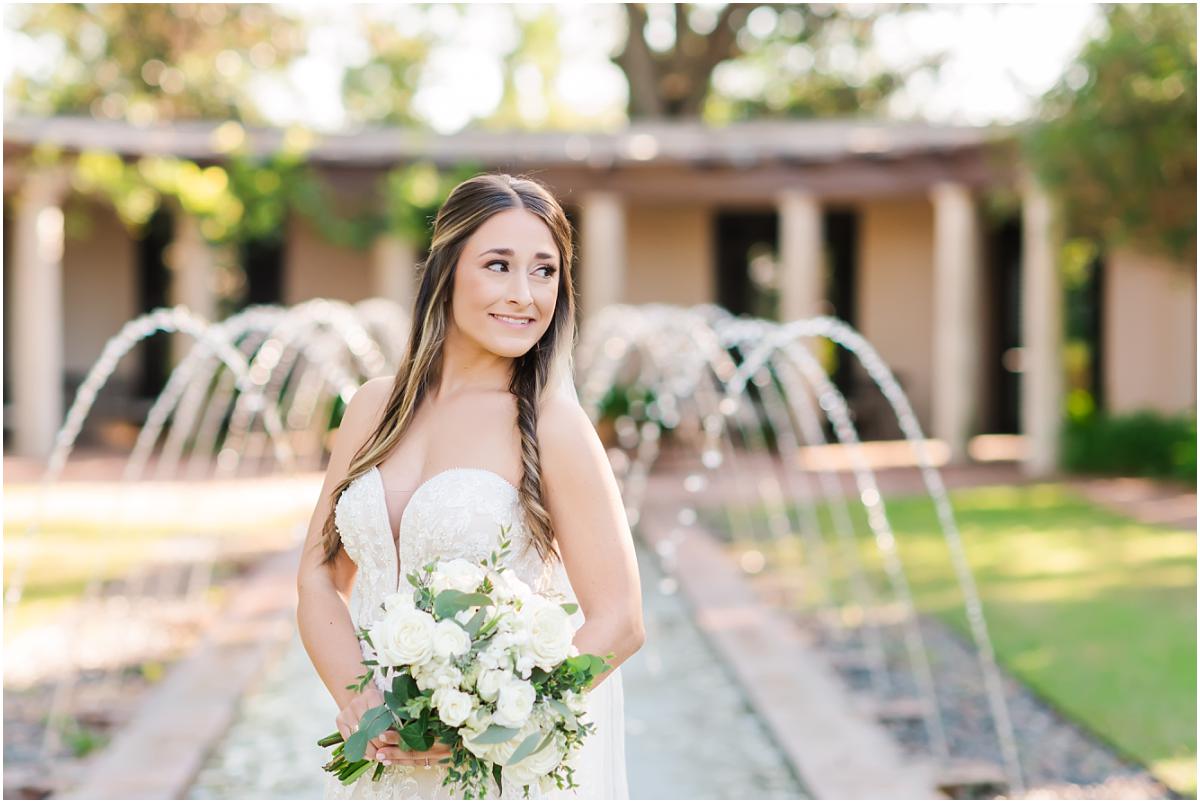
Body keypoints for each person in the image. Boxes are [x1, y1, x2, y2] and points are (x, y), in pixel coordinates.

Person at [296, 173, 644, 799]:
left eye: (544, 272)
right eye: (499, 265)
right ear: (447, 270)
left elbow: (619, 622)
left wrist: (483, 727)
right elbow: (321, 576)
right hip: (384, 762)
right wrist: (361, 701)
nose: (525, 295)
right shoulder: (375, 408)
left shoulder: (551, 424)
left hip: (495, 773)